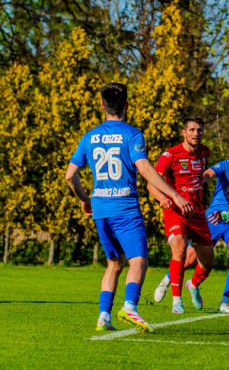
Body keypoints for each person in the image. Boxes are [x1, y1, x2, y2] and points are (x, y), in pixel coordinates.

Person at [65, 83, 189, 333]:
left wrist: (84, 199)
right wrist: (174, 194)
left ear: (102, 106)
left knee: (114, 262)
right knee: (139, 260)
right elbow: (143, 168)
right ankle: (130, 307)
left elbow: (70, 176)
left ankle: (103, 316)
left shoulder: (89, 136)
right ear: (127, 105)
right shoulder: (132, 134)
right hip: (124, 208)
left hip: (100, 209)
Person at [153, 130, 229, 313]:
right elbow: (208, 173)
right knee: (188, 258)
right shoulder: (227, 165)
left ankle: (222, 301)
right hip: (214, 217)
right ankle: (167, 280)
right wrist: (200, 180)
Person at [146, 116, 212, 314]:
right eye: (191, 130)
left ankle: (181, 281)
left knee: (207, 263)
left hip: (198, 212)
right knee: (180, 249)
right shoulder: (170, 155)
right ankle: (177, 301)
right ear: (183, 132)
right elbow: (151, 183)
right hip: (176, 212)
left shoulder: (204, 152)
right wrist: (161, 198)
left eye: (199, 130)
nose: (195, 134)